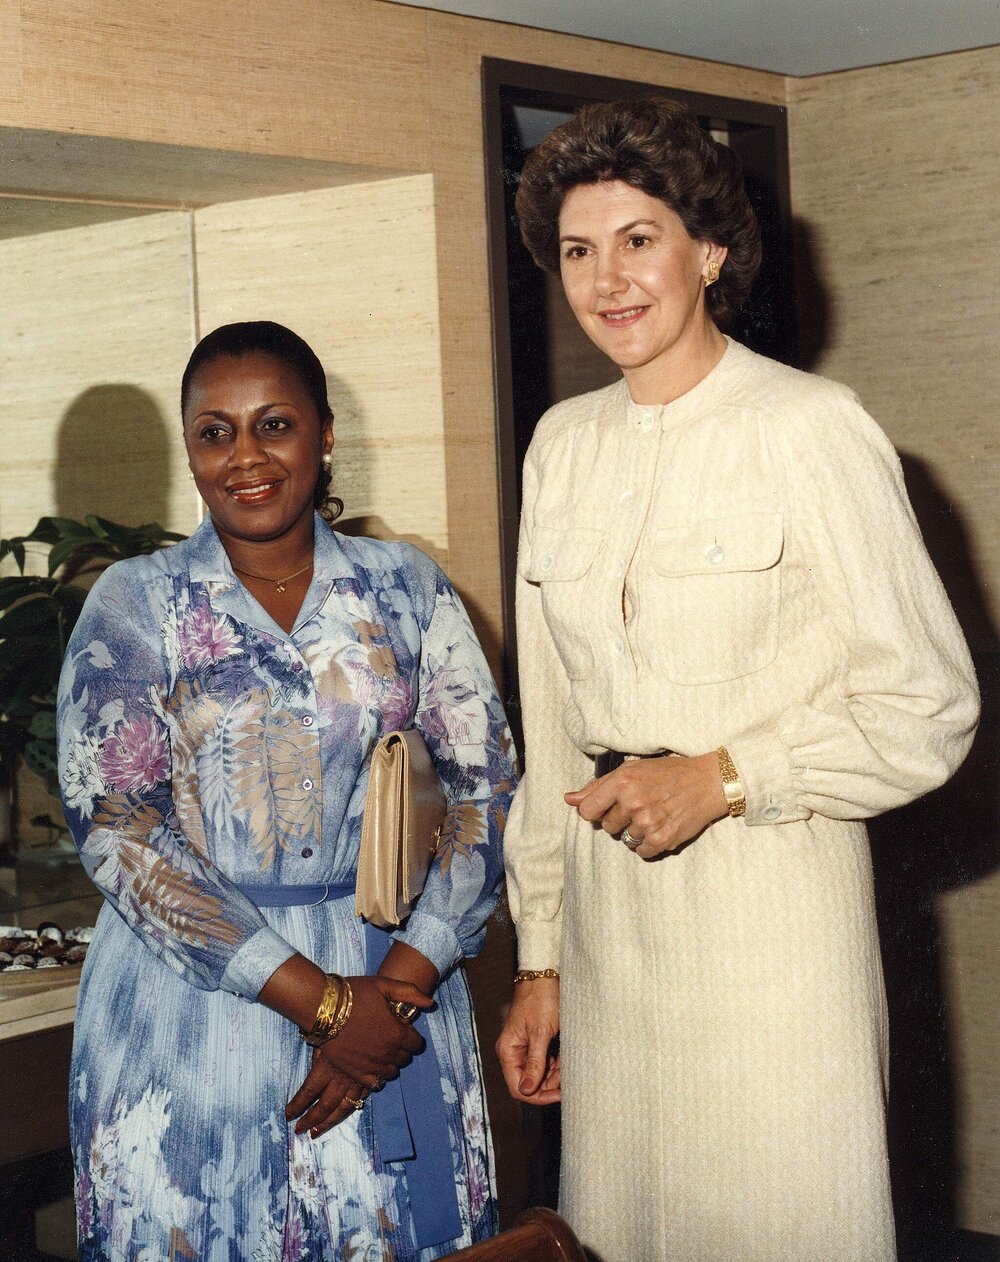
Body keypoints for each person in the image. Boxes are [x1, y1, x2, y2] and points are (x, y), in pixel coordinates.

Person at [496, 98, 979, 1262]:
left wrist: (724, 775)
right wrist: (541, 954)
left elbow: (930, 702)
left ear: (708, 252)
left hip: (771, 909)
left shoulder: (810, 427)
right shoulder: (561, 442)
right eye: (577, 248)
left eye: (639, 238)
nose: (607, 278)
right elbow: (554, 725)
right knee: (626, 1226)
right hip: (613, 929)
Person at [57, 320, 516, 1261]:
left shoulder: (405, 588)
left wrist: (398, 987)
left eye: (274, 424)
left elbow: (485, 790)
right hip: (189, 1027)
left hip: (400, 1002)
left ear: (325, 433)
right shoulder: (138, 603)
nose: (245, 457)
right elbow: (119, 831)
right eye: (214, 432)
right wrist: (324, 1006)